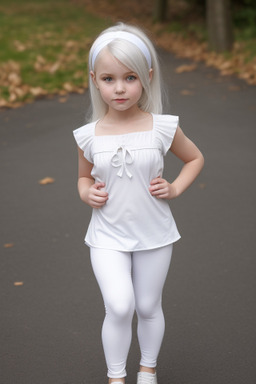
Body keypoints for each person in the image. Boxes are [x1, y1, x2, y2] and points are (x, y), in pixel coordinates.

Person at [73, 22, 204, 384]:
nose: (119, 88)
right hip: (107, 234)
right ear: (94, 80)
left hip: (154, 232)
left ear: (146, 76)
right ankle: (116, 377)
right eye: (109, 78)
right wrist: (87, 193)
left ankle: (148, 369)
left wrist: (175, 188)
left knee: (147, 306)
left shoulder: (161, 127)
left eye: (130, 78)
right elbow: (83, 178)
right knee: (118, 305)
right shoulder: (89, 135)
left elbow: (194, 158)